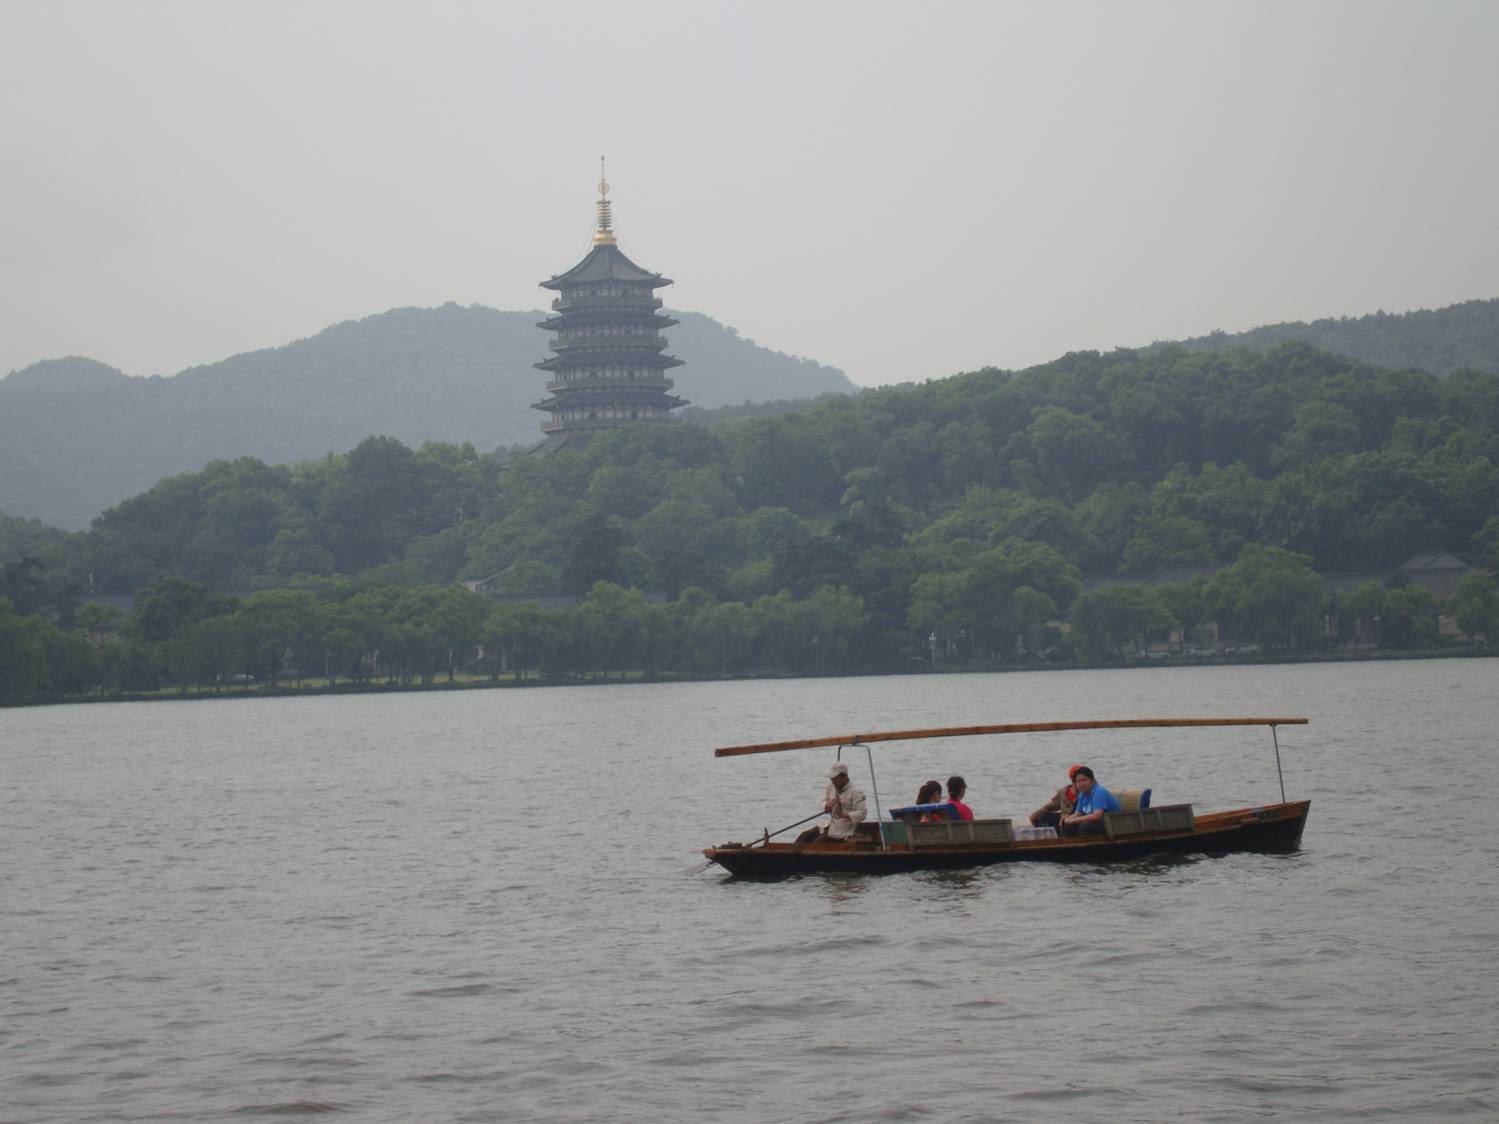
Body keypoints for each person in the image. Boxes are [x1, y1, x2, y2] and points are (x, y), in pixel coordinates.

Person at [795, 762, 868, 844]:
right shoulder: (831, 786)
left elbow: (863, 813)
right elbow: (822, 802)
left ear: (844, 776)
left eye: (835, 778)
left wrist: (843, 814)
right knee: (804, 836)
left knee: (818, 843)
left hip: (843, 830)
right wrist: (827, 804)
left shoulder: (856, 792)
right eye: (831, 778)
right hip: (828, 825)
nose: (832, 781)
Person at [1059, 765, 1121, 836]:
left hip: (1110, 823)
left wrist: (1075, 820)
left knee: (1085, 826)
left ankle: (1083, 845)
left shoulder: (1099, 792)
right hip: (1096, 822)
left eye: (1085, 780)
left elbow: (1096, 816)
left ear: (1092, 781)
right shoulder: (1082, 794)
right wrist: (1067, 819)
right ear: (1075, 784)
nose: (1082, 784)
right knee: (1066, 825)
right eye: (1078, 781)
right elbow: (1078, 813)